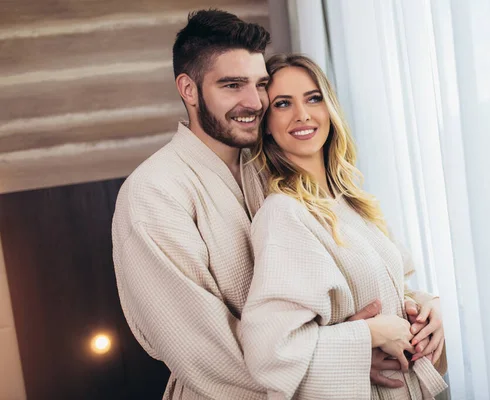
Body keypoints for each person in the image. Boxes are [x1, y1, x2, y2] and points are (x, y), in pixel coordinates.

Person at [112, 9, 439, 399]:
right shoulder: (152, 194)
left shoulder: (273, 167)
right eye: (232, 85)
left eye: (260, 84)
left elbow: (354, 268)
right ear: (188, 89)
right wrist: (348, 355)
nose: (254, 102)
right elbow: (202, 353)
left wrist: (421, 306)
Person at [240, 54, 447, 399]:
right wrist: (368, 335)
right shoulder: (283, 214)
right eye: (283, 104)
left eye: (313, 98)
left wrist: (429, 307)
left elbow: (386, 287)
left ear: (329, 108)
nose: (302, 115)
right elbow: (271, 351)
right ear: (267, 125)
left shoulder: (352, 201)